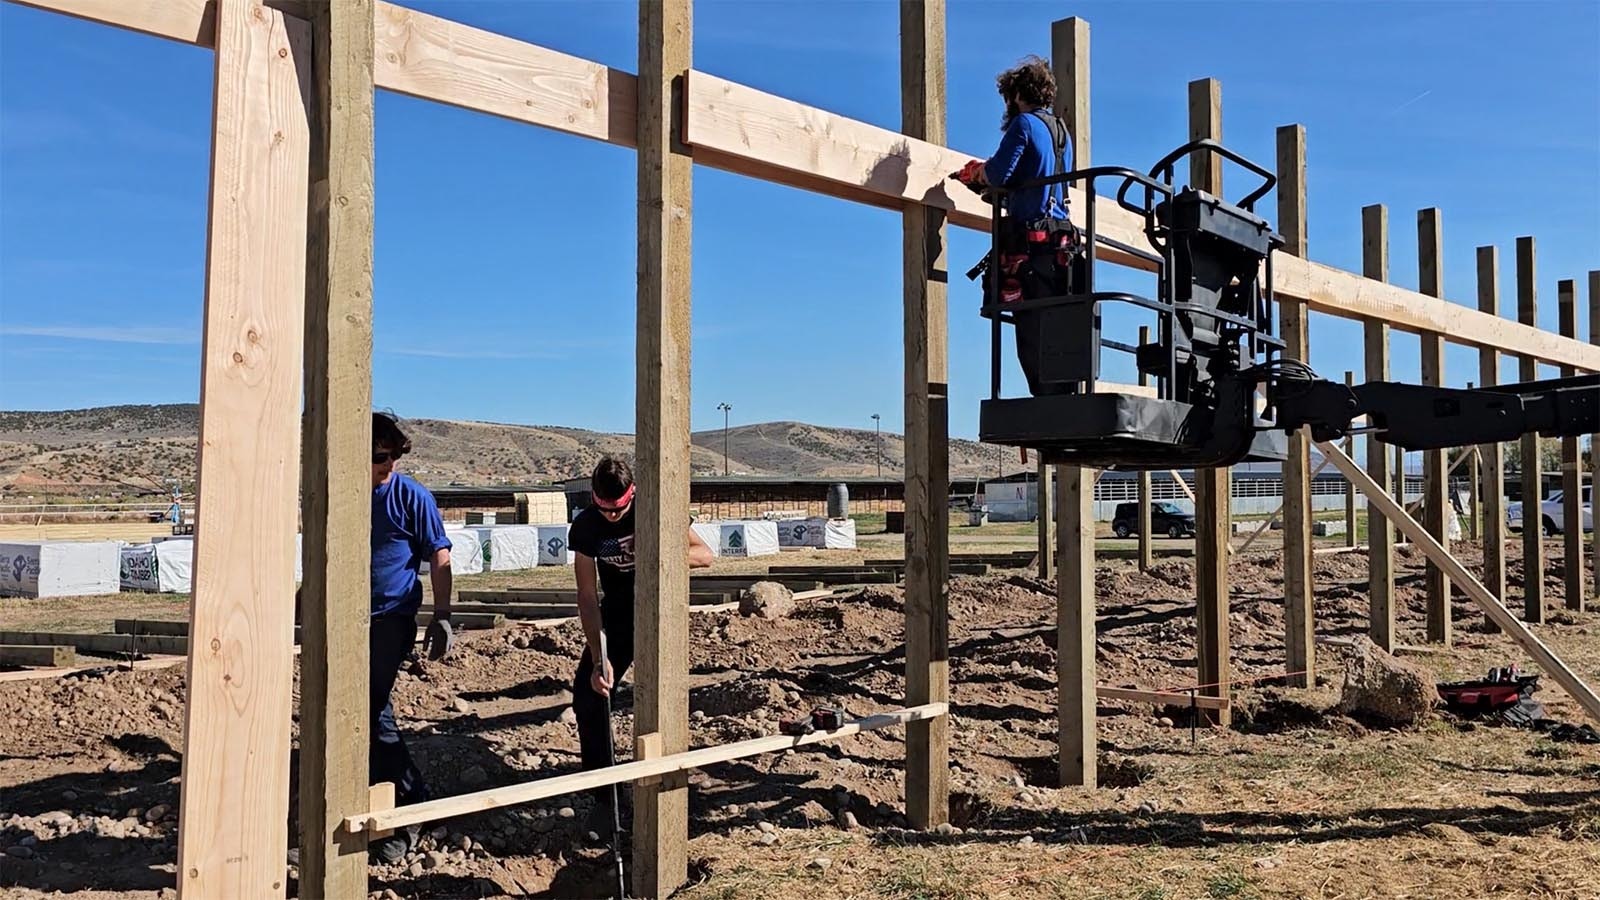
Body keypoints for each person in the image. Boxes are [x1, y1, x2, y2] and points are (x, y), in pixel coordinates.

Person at [566, 456, 713, 840]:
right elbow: (585, 595)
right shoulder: (585, 526)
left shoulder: (656, 509)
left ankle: (671, 786)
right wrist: (599, 656)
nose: (612, 517)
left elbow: (704, 555)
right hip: (616, 616)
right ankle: (606, 799)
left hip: (658, 610)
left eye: (620, 510)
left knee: (658, 699)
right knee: (588, 696)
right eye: (604, 510)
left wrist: (659, 558)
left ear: (632, 496)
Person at [955, 54, 1082, 396]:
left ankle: (1047, 406)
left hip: (1032, 247)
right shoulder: (1061, 132)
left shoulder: (1023, 125)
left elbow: (998, 174)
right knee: (1057, 333)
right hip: (1060, 243)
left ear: (1016, 95)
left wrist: (977, 173)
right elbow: (1042, 177)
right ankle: (1062, 401)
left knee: (1031, 334)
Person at [367, 411, 456, 863]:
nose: (390, 465)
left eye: (395, 455)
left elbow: (439, 557)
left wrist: (441, 614)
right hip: (349, 625)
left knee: (369, 711)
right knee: (355, 715)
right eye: (382, 456)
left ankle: (412, 804)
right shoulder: (343, 496)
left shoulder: (411, 497)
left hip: (392, 619)